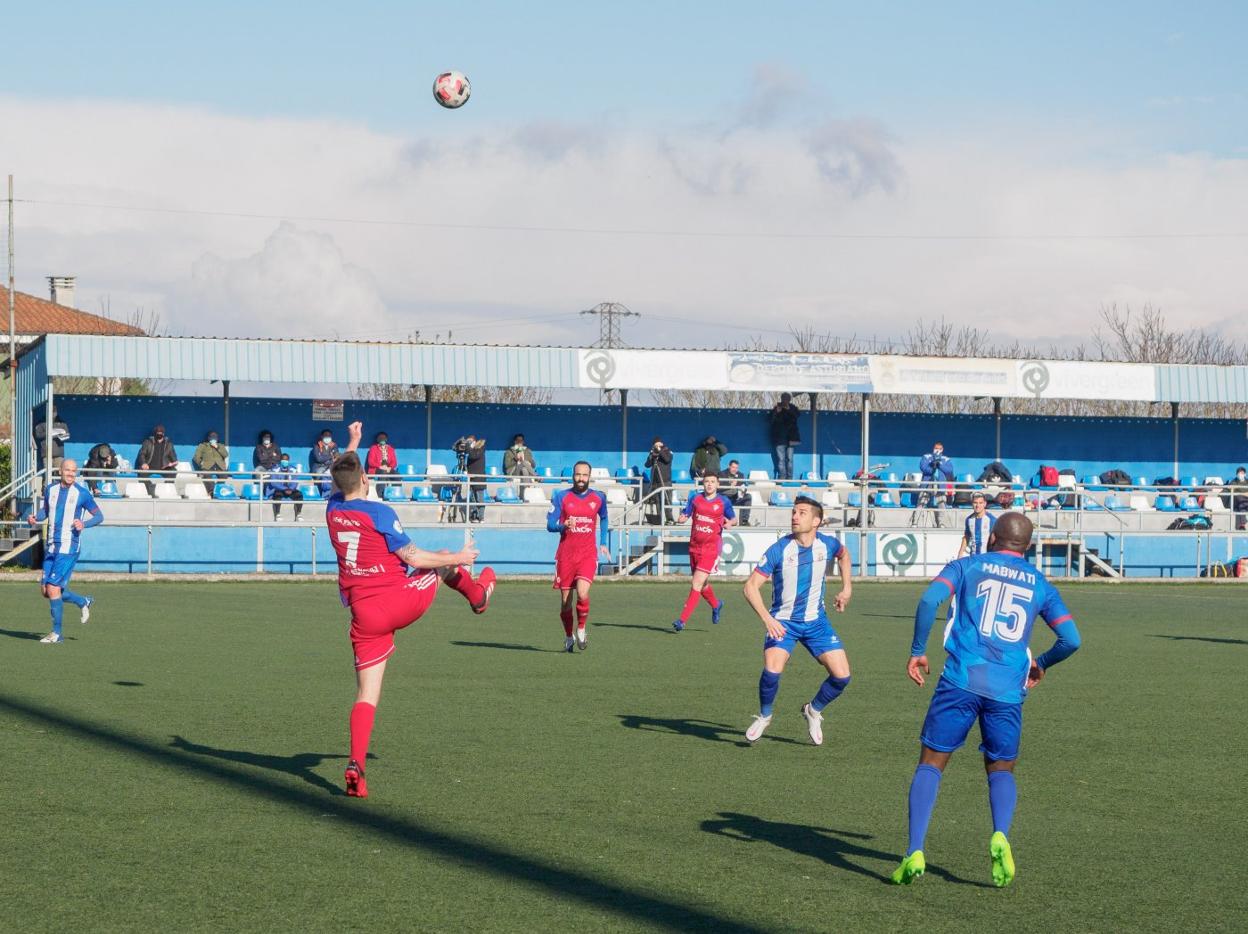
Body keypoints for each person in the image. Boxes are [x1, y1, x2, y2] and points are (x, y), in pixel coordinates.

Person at [891, 511, 1082, 888]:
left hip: (961, 680)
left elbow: (930, 601)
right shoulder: (1041, 584)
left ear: (992, 536)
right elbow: (1071, 639)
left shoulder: (967, 565)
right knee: (1001, 769)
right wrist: (1039, 664)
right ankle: (1000, 835)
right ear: (1027, 546)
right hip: (1008, 691)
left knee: (931, 763)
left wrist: (917, 650)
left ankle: (914, 849)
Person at [328, 421, 495, 798]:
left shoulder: (333, 507)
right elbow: (415, 557)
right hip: (397, 600)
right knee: (440, 565)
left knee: (366, 695)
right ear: (366, 479)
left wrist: (353, 442)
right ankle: (478, 596)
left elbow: (340, 473)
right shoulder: (380, 513)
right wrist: (458, 555)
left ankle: (356, 765)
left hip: (362, 614)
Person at [742, 495, 853, 745]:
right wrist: (768, 619)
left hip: (817, 622)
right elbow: (750, 587)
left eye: (801, 512)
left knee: (842, 676)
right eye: (793, 512)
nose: (794, 516)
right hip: (784, 622)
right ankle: (765, 716)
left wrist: (847, 588)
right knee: (772, 669)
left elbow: (844, 555)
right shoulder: (780, 549)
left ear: (817, 520)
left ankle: (813, 710)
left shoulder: (828, 545)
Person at [26, 459, 103, 644]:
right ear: (60, 471)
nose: (70, 473)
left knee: (53, 588)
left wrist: (83, 523)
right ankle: (83, 601)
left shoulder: (82, 494)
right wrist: (36, 517)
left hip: (69, 547)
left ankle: (56, 634)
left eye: (73, 471)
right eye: (67, 470)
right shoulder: (50, 490)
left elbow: (99, 516)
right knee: (47, 591)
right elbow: (46, 511)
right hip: (52, 546)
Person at [546, 461, 611, 652]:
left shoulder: (598, 498)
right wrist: (563, 525)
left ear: (590, 476)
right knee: (566, 602)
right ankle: (568, 636)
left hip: (587, 555)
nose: (581, 479)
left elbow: (605, 518)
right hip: (566, 556)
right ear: (572, 475)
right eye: (577, 475)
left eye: (584, 475)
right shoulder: (561, 497)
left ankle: (581, 629)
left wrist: (603, 542)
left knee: (583, 593)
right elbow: (549, 525)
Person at [672, 473, 736, 631]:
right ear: (703, 483)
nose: (709, 484)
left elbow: (734, 518)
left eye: (712, 482)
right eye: (707, 481)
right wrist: (682, 518)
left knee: (696, 583)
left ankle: (682, 620)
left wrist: (730, 523)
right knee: (703, 583)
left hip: (711, 549)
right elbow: (686, 514)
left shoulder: (723, 501)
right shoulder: (695, 498)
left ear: (718, 484)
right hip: (694, 546)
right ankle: (716, 604)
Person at [918, 441, 955, 523]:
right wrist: (932, 466)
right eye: (936, 448)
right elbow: (923, 468)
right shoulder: (926, 457)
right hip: (927, 484)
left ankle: (941, 523)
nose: (937, 450)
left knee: (941, 503)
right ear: (933, 448)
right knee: (921, 503)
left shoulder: (946, 459)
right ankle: (915, 522)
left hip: (940, 485)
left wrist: (939, 464)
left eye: (939, 449)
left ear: (942, 449)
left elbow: (949, 471)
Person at [454, 434, 488, 522]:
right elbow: (455, 448)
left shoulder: (480, 448)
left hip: (479, 479)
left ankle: (481, 518)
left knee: (480, 499)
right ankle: (475, 516)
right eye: (467, 442)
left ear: (474, 442)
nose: (468, 444)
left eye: (469, 442)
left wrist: (468, 447)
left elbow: (473, 456)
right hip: (471, 479)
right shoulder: (471, 450)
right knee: (472, 499)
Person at [767, 393, 801, 480]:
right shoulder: (777, 408)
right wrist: (776, 412)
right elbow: (770, 419)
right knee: (781, 460)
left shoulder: (793, 408)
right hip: (779, 438)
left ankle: (789, 478)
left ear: (789, 400)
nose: (785, 400)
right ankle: (782, 477)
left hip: (791, 438)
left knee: (790, 459)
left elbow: (797, 415)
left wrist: (787, 409)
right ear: (781, 399)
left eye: (787, 399)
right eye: (783, 398)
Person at [137, 424, 178, 494]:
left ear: (163, 434)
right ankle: (150, 489)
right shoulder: (148, 442)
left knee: (173, 472)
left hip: (163, 468)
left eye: (160, 434)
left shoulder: (169, 444)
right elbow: (141, 454)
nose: (159, 435)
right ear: (155, 434)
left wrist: (171, 464)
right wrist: (143, 463)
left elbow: (174, 459)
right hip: (149, 467)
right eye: (157, 434)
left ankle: (164, 490)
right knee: (141, 473)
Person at [32, 404, 71, 473]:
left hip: (59, 454)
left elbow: (67, 435)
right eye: (51, 411)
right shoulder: (41, 423)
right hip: (46, 453)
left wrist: (60, 435)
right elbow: (37, 435)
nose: (53, 413)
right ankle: (45, 484)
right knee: (47, 474)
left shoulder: (62, 423)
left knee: (59, 474)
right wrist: (49, 433)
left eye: (54, 411)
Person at [644, 437, 673, 526]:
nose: (656, 445)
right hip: (655, 482)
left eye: (658, 443)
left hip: (665, 481)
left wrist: (660, 450)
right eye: (655, 444)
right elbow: (647, 465)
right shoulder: (653, 453)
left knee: (667, 501)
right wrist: (651, 455)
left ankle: (670, 519)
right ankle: (660, 519)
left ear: (661, 443)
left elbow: (667, 459)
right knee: (658, 502)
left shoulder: (667, 451)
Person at [957, 492, 996, 557]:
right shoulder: (969, 519)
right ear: (972, 504)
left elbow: (996, 539)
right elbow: (967, 537)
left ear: (985, 504)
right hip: (973, 557)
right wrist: (960, 553)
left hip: (986, 557)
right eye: (975, 503)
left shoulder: (991, 520)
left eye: (980, 503)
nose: (978, 506)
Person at [267, 453, 304, 521]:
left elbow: (295, 481)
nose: (285, 461)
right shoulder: (275, 469)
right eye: (283, 460)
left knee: (299, 495)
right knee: (277, 495)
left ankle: (298, 514)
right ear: (280, 460)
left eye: (286, 460)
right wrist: (284, 488)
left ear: (288, 460)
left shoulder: (293, 469)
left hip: (290, 490)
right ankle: (277, 514)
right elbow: (273, 483)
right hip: (280, 489)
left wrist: (291, 488)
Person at [718, 459, 752, 527]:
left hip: (736, 497)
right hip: (725, 497)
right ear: (729, 466)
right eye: (733, 467)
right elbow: (718, 487)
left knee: (748, 497)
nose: (735, 469)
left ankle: (744, 521)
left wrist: (743, 491)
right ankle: (725, 521)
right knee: (723, 498)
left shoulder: (740, 475)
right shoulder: (722, 474)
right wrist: (730, 485)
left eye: (736, 468)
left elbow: (743, 486)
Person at [366, 431, 398, 497]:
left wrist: (390, 467)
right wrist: (380, 466)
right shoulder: (373, 448)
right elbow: (371, 462)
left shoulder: (390, 449)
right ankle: (380, 494)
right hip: (376, 469)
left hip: (388, 469)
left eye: (384, 438)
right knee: (383, 472)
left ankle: (396, 493)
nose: (382, 440)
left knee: (397, 475)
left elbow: (394, 462)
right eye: (380, 438)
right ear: (377, 439)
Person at [311, 430, 340, 497]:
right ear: (322, 436)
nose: (327, 437)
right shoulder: (317, 445)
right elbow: (318, 459)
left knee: (338, 475)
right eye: (326, 435)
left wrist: (326, 458)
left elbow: (336, 457)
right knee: (320, 475)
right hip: (319, 467)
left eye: (329, 436)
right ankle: (322, 495)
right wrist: (330, 456)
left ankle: (332, 495)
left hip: (331, 466)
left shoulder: (334, 445)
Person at [1228, 467, 1248, 531]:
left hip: (1245, 501)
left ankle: (1242, 524)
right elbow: (1230, 488)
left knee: (1242, 505)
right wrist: (1244, 494)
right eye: (1239, 473)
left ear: (1245, 474)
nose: (1240, 474)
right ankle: (1243, 524)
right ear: (1237, 474)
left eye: (1242, 473)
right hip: (1238, 501)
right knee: (1241, 501)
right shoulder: (1234, 481)